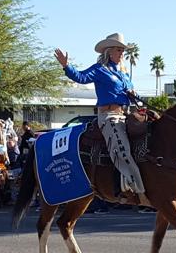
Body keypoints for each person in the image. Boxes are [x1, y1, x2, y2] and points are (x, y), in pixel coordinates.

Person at [54, 33, 145, 196]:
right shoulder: (100, 70)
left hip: (125, 114)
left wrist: (132, 93)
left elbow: (130, 93)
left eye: (123, 50)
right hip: (109, 116)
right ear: (109, 51)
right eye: (119, 50)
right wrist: (66, 66)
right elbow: (81, 77)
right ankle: (135, 187)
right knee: (121, 147)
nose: (122, 53)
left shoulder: (125, 74)